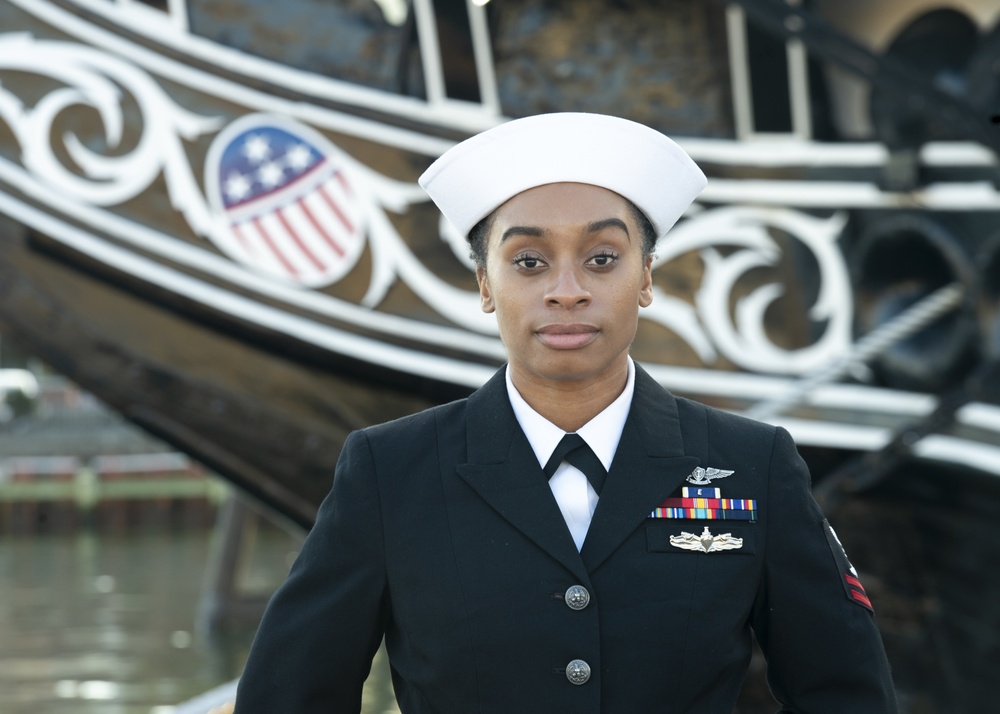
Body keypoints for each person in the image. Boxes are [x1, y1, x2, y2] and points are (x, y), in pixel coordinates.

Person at [233, 113, 898, 713]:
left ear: (644, 278)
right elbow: (288, 698)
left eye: (602, 258)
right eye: (528, 261)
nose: (568, 291)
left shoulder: (750, 466)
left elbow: (846, 696)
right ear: (485, 285)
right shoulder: (390, 472)